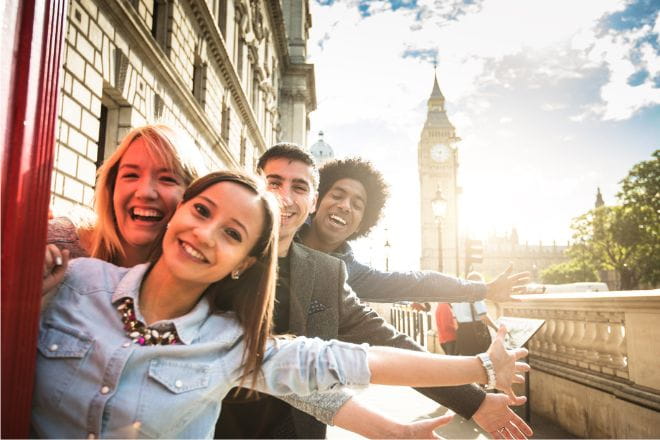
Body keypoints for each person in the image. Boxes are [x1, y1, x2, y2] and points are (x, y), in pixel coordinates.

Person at [37, 170, 529, 438]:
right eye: (201, 211)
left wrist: (480, 364)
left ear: (246, 261)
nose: (206, 234)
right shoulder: (73, 281)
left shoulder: (234, 338)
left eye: (232, 233)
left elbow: (347, 359)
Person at [215, 146, 532, 439]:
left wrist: (474, 399)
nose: (344, 206)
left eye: (357, 204)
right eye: (337, 194)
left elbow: (394, 326)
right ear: (318, 201)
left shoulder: (335, 272)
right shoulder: (224, 245)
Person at [43, 123, 204, 291]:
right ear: (112, 187)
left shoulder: (198, 282)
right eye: (131, 175)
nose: (145, 192)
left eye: (167, 178)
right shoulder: (55, 245)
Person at [453, 272, 500, 356]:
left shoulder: (457, 297)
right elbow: (483, 317)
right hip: (475, 333)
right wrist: (496, 328)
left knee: (467, 361)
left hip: (462, 332)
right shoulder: (476, 294)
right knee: (481, 361)